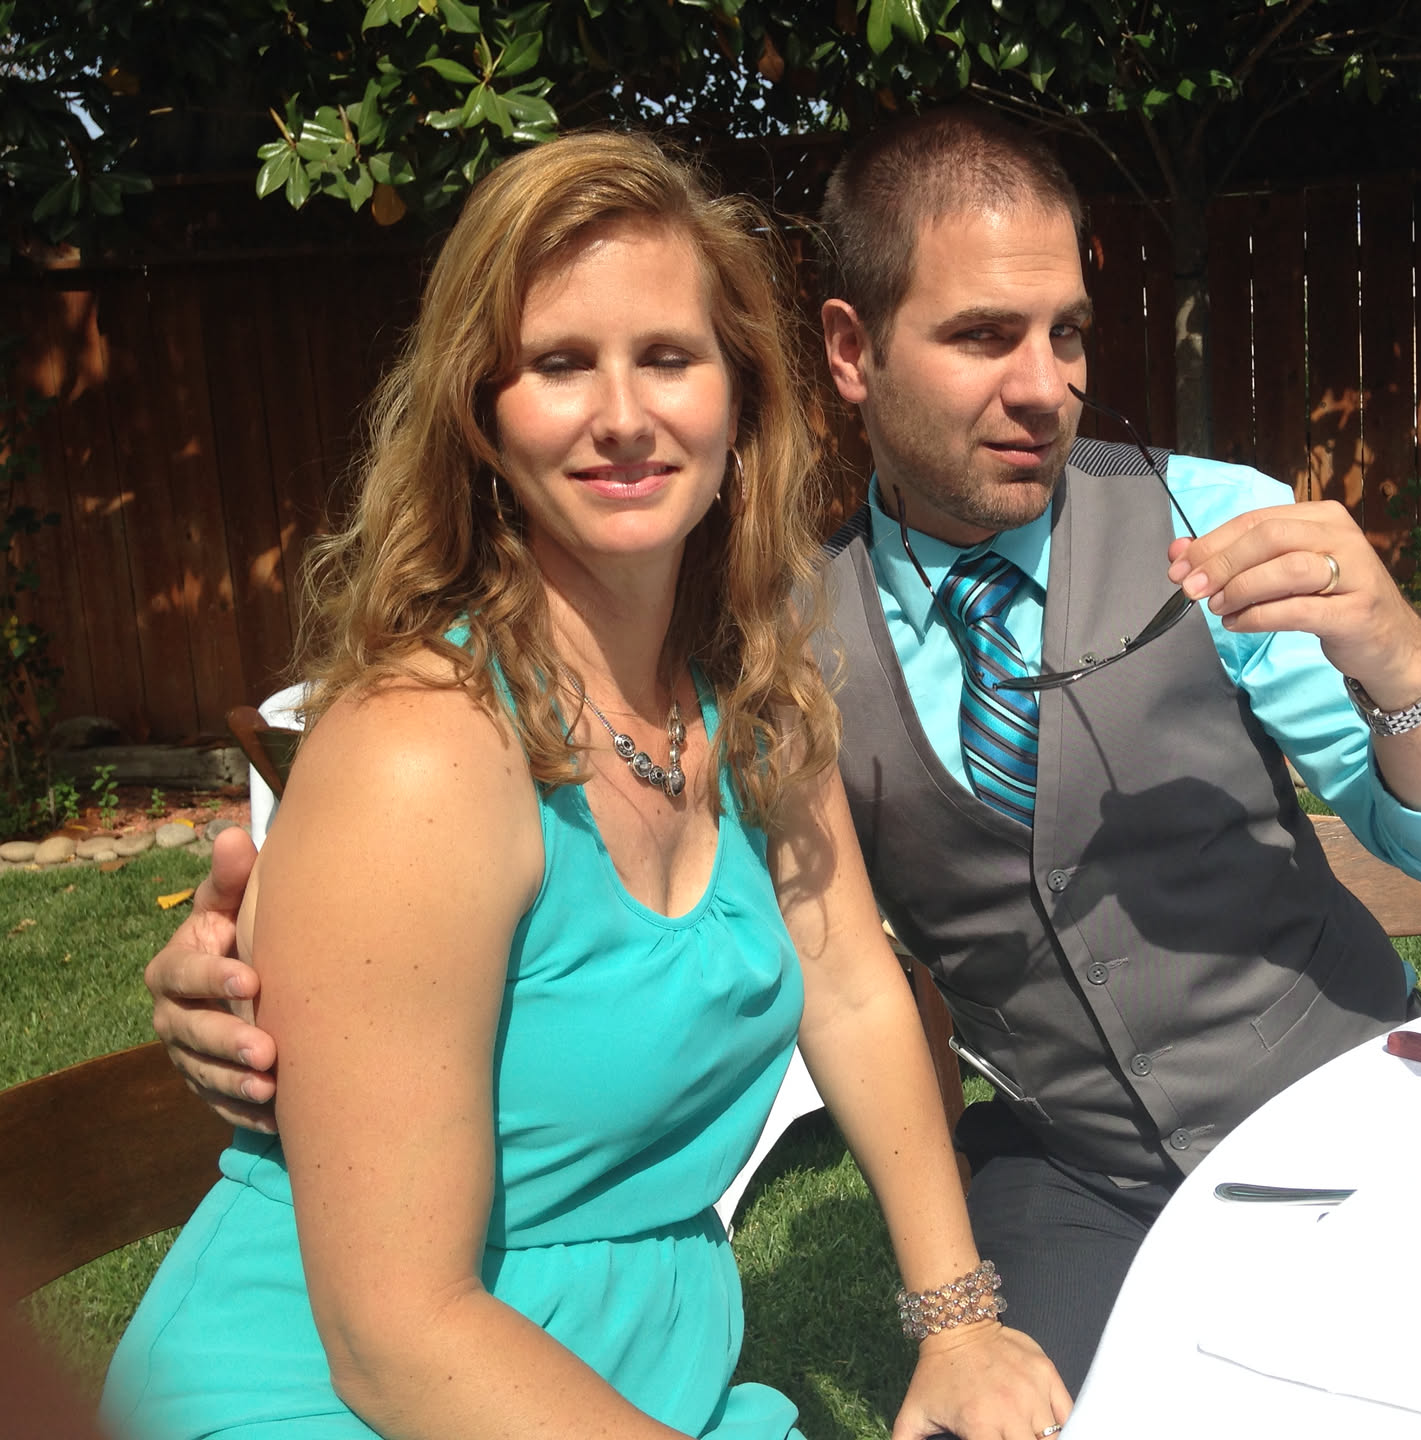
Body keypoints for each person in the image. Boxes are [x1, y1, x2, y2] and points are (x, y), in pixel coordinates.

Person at [144, 109, 1421, 1394]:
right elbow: (485, 876)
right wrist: (262, 966)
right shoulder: (785, 646)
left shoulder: (1209, 526)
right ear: (851, 354)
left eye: (1067, 333)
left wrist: (1403, 662)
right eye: (984, 335)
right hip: (1077, 1172)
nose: (1045, 386)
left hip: (1346, 1108)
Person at [103, 130, 1068, 1440]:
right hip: (346, 1396)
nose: (624, 414)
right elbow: (394, 1338)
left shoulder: (753, 697)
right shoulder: (420, 752)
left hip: (634, 1378)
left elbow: (849, 980)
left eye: (667, 357)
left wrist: (959, 1323)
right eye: (560, 364)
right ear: (482, 418)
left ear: (740, 397)